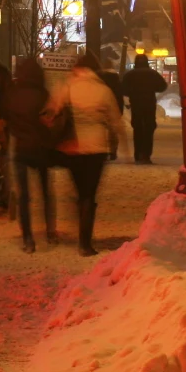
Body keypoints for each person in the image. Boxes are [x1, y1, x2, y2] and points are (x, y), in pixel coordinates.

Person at [47, 52, 124, 257]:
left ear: (77, 68)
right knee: (89, 194)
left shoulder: (68, 86)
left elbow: (53, 111)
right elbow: (115, 121)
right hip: (97, 148)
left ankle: (80, 228)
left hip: (73, 148)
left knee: (79, 190)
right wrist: (116, 146)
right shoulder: (103, 90)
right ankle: (85, 243)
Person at [3, 57, 56, 253]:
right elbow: (51, 118)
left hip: (21, 148)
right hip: (41, 148)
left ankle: (28, 238)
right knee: (45, 192)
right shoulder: (43, 94)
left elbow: (6, 118)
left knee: (24, 196)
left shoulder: (13, 94)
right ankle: (50, 231)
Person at [122, 53, 166, 164]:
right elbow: (163, 86)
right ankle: (146, 154)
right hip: (149, 103)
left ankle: (138, 154)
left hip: (136, 103)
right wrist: (152, 89)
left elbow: (123, 89)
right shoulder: (153, 74)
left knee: (137, 128)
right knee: (149, 128)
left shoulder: (130, 75)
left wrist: (132, 93)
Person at [100, 68, 126, 161]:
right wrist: (120, 112)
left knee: (102, 131)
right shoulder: (118, 86)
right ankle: (113, 151)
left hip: (102, 110)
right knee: (113, 132)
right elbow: (120, 100)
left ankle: (102, 151)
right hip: (114, 111)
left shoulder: (102, 86)